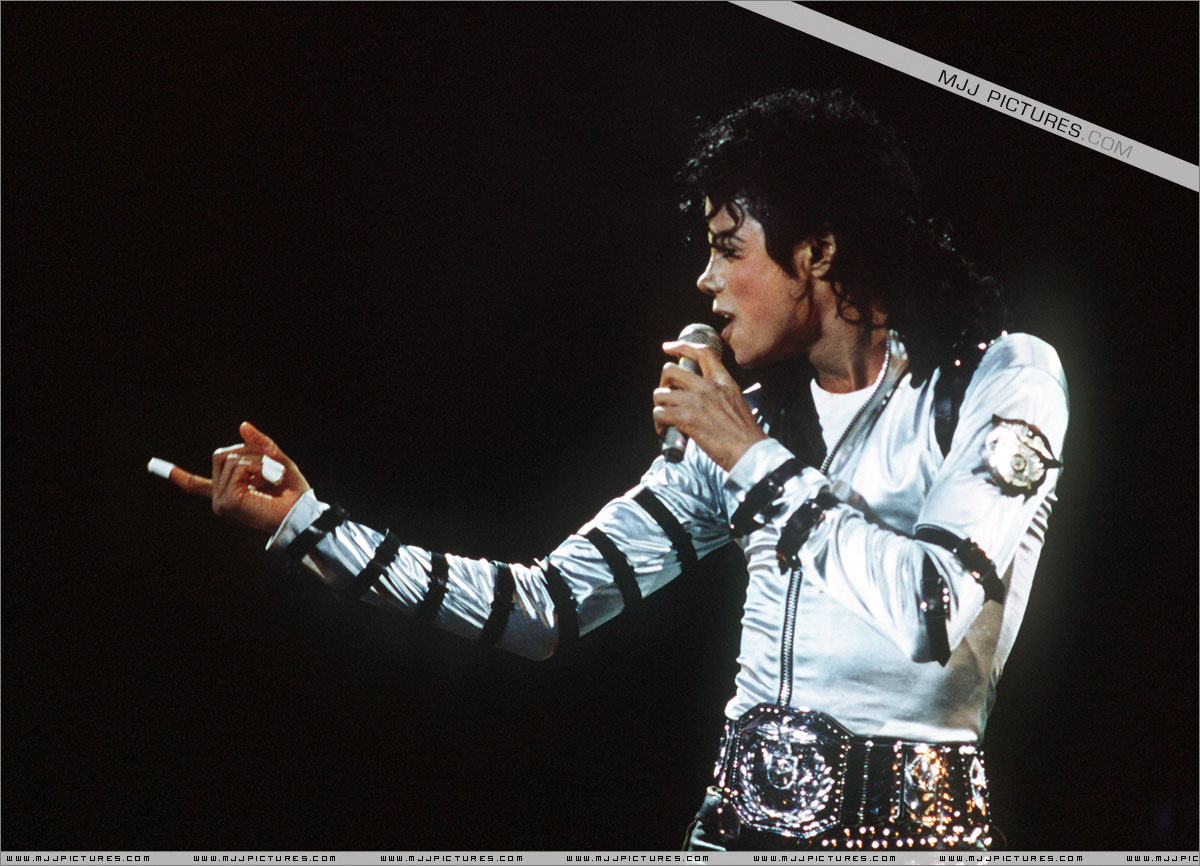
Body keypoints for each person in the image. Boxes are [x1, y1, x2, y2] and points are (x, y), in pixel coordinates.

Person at [163, 89, 1068, 851]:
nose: (706, 281)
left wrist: (747, 455)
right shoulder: (749, 423)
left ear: (819, 251)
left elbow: (933, 610)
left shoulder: (1002, 377)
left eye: (728, 246)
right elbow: (542, 609)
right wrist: (310, 524)